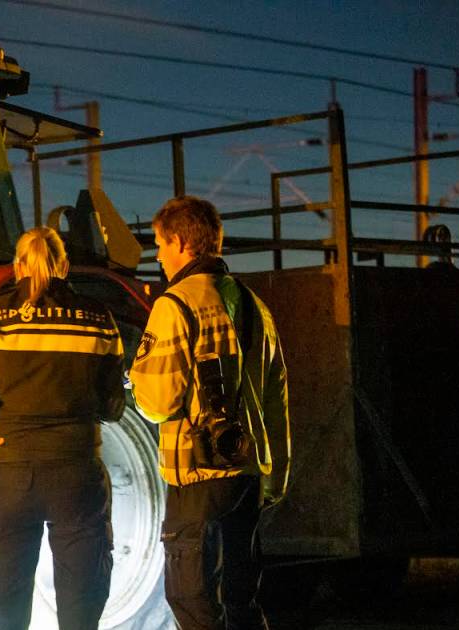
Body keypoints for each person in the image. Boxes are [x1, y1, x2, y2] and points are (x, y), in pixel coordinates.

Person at [0, 226, 126, 630]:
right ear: (65, 266)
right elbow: (112, 406)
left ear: (18, 266)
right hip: (77, 475)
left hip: (11, 474)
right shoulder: (99, 318)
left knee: (8, 614)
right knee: (81, 615)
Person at [129, 196, 289, 630]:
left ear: (180, 242)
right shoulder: (256, 307)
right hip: (251, 476)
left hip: (199, 479)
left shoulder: (175, 305)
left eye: (160, 244)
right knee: (241, 599)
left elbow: (159, 403)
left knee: (192, 597)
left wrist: (137, 381)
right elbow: (277, 396)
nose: (158, 255)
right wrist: (275, 476)